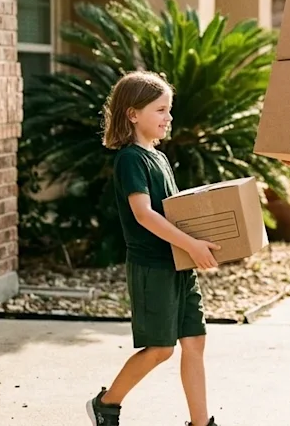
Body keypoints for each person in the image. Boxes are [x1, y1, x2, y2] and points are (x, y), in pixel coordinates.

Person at [86, 71, 224, 426]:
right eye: (160, 110)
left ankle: (200, 423)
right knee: (161, 348)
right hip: (153, 267)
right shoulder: (131, 159)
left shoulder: (158, 157)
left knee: (194, 342)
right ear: (133, 114)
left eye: (169, 110)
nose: (169, 118)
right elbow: (144, 214)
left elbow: (173, 210)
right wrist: (192, 244)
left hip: (179, 264)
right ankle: (107, 403)